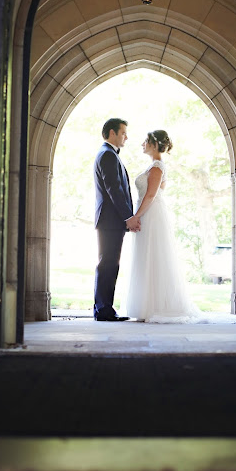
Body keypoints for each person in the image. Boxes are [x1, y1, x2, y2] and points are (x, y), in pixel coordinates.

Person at [125, 130, 204, 323]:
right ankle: (147, 305)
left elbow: (151, 195)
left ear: (153, 144)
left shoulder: (157, 166)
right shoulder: (154, 166)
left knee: (154, 256)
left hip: (151, 215)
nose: (142, 144)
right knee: (148, 256)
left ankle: (158, 306)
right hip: (150, 212)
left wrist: (136, 216)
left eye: (145, 141)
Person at [93, 118, 140, 321]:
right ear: (112, 133)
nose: (126, 137)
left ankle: (104, 308)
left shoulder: (109, 154)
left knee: (110, 263)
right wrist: (128, 217)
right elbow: (114, 189)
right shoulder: (107, 155)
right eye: (123, 133)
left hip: (110, 221)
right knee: (108, 264)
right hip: (110, 221)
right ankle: (103, 310)